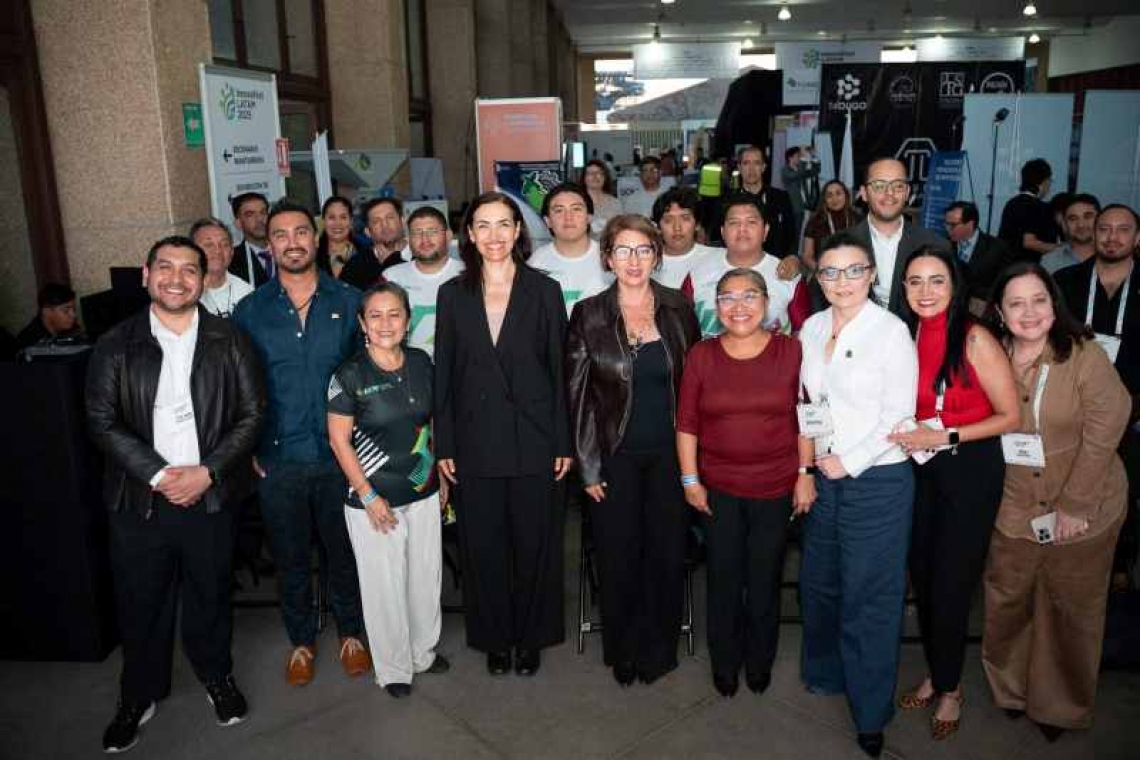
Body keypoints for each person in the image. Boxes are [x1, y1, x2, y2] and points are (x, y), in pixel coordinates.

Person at [86, 236, 265, 752]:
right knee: (141, 602)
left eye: (190, 270)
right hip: (139, 500)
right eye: (165, 267)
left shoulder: (229, 339)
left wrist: (207, 472)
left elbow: (252, 415)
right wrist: (162, 476)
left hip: (209, 495)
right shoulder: (115, 343)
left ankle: (217, 677)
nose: (176, 278)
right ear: (146, 274)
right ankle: (136, 696)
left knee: (210, 594)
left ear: (202, 278)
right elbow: (101, 421)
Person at [982, 262, 1129, 741]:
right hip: (1015, 502)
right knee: (1008, 599)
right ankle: (1009, 689)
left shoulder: (1083, 354)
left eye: (1039, 300)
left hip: (1084, 502)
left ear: (1054, 303)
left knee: (1070, 608)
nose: (1029, 312)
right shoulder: (990, 354)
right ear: (1000, 313)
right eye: (1016, 303)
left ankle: (1059, 705)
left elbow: (1109, 424)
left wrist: (1075, 505)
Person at [232, 200, 372, 687]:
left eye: (300, 233)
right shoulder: (250, 311)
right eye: (280, 235)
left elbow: (368, 379)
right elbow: (240, 385)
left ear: (317, 239)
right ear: (268, 246)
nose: (292, 242)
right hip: (280, 461)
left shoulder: (351, 301)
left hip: (340, 459)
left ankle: (352, 634)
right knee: (290, 558)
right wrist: (249, 449)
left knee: (344, 554)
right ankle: (301, 642)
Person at [434, 191, 572, 677]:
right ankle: (494, 637)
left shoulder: (545, 291)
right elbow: (444, 376)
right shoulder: (452, 295)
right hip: (474, 442)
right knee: (483, 546)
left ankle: (532, 636)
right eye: (483, 225)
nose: (494, 235)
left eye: (504, 224)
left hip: (535, 439)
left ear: (518, 231)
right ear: (469, 234)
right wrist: (444, 443)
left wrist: (563, 441)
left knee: (536, 543)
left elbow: (560, 371)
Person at [886, 247, 1020, 741]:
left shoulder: (975, 336)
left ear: (955, 285)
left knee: (951, 583)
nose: (925, 292)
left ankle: (950, 688)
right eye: (915, 282)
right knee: (922, 575)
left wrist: (945, 436)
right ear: (903, 289)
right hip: (920, 471)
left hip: (968, 470)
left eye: (936, 281)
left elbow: (1011, 416)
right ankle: (939, 670)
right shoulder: (906, 334)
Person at [797, 232, 918, 758]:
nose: (841, 281)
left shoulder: (891, 331)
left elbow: (899, 415)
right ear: (817, 278)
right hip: (824, 476)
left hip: (877, 481)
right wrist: (810, 465)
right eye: (830, 272)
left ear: (871, 274)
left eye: (853, 271)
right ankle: (826, 674)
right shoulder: (812, 325)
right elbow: (808, 401)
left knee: (870, 597)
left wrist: (850, 460)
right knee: (819, 582)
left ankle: (870, 712)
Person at [566, 214, 700, 687]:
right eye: (623, 250)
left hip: (671, 457)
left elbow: (695, 387)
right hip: (612, 459)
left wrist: (695, 464)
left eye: (643, 250)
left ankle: (659, 648)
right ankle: (622, 649)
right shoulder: (588, 314)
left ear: (657, 256)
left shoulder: (678, 308)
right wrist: (588, 467)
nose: (633, 260)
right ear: (608, 259)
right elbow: (577, 397)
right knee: (618, 558)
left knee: (665, 556)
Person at [676, 268, 814, 699]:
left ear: (766, 302)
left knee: (764, 577)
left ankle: (759, 660)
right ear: (716, 307)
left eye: (749, 296)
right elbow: (686, 424)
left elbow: (805, 420)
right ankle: (725, 662)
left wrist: (804, 475)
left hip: (775, 486)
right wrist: (689, 479)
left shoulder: (792, 352)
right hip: (718, 487)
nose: (739, 307)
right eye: (728, 298)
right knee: (722, 578)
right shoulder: (702, 354)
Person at [327, 283, 449, 699]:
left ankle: (422, 653)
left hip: (424, 489)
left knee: (425, 577)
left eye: (394, 314)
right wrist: (368, 496)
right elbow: (339, 441)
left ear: (408, 319)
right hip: (374, 499)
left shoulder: (421, 361)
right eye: (375, 315)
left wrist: (442, 481)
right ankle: (394, 668)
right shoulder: (349, 374)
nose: (385, 324)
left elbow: (431, 427)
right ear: (362, 323)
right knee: (384, 584)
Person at [1055, 204, 1140, 588]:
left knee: (1124, 489)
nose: (1111, 237)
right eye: (1104, 228)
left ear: (1137, 239)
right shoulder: (1065, 281)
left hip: (1133, 412)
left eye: (1123, 230)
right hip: (1070, 408)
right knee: (1069, 483)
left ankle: (1119, 564)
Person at [683, 196, 799, 337]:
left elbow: (804, 334)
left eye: (751, 222)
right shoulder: (697, 273)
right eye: (734, 223)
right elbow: (683, 331)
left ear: (766, 230)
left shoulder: (788, 274)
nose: (742, 229)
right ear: (722, 232)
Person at [847, 158, 949, 314]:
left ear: (907, 193)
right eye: (879, 186)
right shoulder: (840, 245)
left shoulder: (936, 245)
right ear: (864, 193)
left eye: (898, 186)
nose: (890, 193)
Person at [383, 206, 465, 357]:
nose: (424, 239)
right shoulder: (391, 277)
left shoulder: (467, 275)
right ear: (408, 240)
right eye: (417, 233)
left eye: (432, 232)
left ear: (448, 236)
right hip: (409, 371)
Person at [529, 182, 611, 316]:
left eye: (576, 209)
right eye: (559, 210)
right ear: (547, 221)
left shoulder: (609, 260)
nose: (568, 217)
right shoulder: (536, 264)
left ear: (589, 217)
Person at [943, 201, 1012, 316]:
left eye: (953, 225)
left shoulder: (997, 248)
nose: (947, 229)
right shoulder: (943, 245)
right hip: (950, 312)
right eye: (946, 224)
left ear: (970, 224)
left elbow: (1004, 284)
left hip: (982, 313)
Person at [733, 146, 796, 257]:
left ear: (763, 167)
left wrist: (791, 257)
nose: (751, 169)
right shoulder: (727, 201)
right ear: (739, 167)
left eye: (756, 163)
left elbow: (791, 235)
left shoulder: (781, 198)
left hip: (775, 267)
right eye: (746, 163)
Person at [651, 186, 719, 289]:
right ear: (658, 227)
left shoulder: (718, 258)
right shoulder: (646, 263)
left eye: (685, 219)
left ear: (697, 225)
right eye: (668, 220)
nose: (677, 227)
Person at [998, 158, 1060, 263]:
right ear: (1044, 182)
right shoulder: (1036, 206)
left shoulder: (1012, 202)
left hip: (1003, 265)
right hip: (1024, 267)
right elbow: (1029, 242)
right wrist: (1062, 249)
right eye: (1049, 180)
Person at [190, 217, 254, 318]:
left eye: (224, 244)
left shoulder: (246, 292)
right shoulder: (184, 294)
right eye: (209, 245)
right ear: (191, 251)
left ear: (232, 251)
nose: (218, 251)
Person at [340, 197, 408, 290]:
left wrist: (392, 261)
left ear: (403, 222)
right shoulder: (355, 266)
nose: (385, 225)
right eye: (376, 221)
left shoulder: (421, 254)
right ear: (368, 232)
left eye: (390, 218)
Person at [802, 180, 860, 270]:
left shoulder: (858, 219)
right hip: (824, 272)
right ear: (824, 200)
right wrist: (822, 271)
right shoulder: (815, 222)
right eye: (829, 195)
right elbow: (807, 256)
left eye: (838, 193)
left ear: (846, 195)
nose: (834, 199)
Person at [1041, 193, 1100, 274]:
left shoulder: (1114, 256)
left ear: (1101, 219)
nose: (1081, 225)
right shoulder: (1049, 262)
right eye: (1073, 219)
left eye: (1087, 217)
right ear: (1064, 224)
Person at [14, 283, 84, 351]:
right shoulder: (29, 342)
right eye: (66, 311)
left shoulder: (72, 329)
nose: (73, 315)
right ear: (46, 311)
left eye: (73, 309)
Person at [228, 191, 273, 287]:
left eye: (263, 212)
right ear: (238, 223)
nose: (260, 219)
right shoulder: (231, 262)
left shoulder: (286, 251)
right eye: (250, 215)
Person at [316, 195, 365, 279]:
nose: (337, 223)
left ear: (351, 221)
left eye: (343, 217)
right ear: (323, 221)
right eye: (331, 217)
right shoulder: (313, 255)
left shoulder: (366, 255)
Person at [781, 146, 821, 239]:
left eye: (800, 156)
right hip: (794, 207)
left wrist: (814, 156)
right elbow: (797, 175)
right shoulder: (785, 170)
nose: (800, 157)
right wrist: (804, 159)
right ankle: (792, 252)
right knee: (795, 234)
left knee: (803, 234)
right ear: (790, 158)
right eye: (797, 156)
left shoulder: (800, 170)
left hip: (805, 206)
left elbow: (815, 171)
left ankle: (798, 252)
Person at [584, 158, 622, 236]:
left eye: (599, 173)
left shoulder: (615, 203)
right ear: (584, 178)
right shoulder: (576, 202)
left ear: (605, 177)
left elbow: (620, 230)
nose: (595, 176)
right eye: (590, 173)